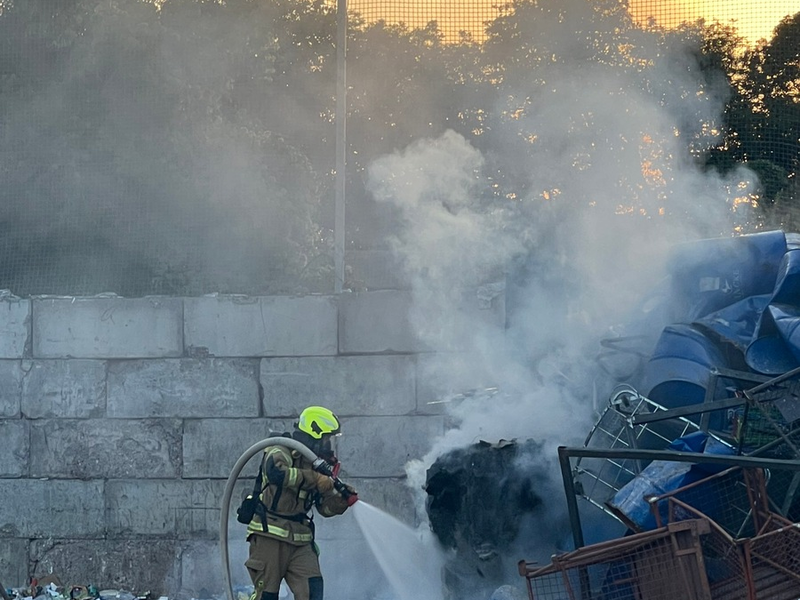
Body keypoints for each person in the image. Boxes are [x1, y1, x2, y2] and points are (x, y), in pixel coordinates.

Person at [244, 406, 358, 600]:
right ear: (314, 433)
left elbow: (323, 508)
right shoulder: (281, 450)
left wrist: (340, 502)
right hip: (269, 535)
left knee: (313, 592)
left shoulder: (316, 465)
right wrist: (316, 479)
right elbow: (277, 473)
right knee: (266, 597)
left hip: (300, 541)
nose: (328, 444)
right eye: (326, 438)